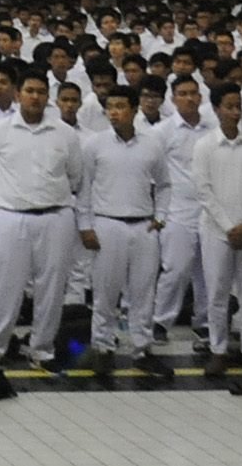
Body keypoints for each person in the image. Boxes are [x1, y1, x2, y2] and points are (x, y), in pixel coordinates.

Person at [0, 72, 82, 369]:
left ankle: (42, 350)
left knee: (51, 288)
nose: (35, 97)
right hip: (11, 217)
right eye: (29, 91)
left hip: (56, 216)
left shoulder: (65, 134)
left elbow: (75, 176)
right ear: (18, 94)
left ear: (48, 97)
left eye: (41, 92)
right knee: (4, 285)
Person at [76, 83, 169, 380]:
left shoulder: (152, 143)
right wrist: (86, 225)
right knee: (105, 292)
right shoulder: (95, 144)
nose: (113, 113)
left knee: (144, 293)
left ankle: (142, 350)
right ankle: (102, 348)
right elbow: (84, 188)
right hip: (107, 223)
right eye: (109, 107)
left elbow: (165, 184)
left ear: (134, 109)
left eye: (119, 107)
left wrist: (161, 216)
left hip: (143, 224)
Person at [190, 82, 242, 375]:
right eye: (229, 106)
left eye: (238, 106)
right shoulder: (205, 146)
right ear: (216, 109)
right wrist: (228, 227)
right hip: (216, 231)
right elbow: (204, 191)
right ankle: (218, 350)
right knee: (218, 294)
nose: (235, 112)